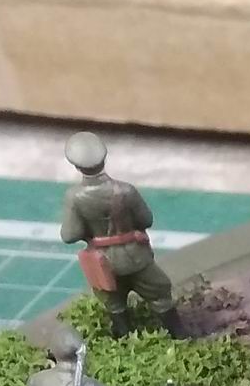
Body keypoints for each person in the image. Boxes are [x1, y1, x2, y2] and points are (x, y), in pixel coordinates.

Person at [59, 131, 181, 337]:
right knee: (160, 295)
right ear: (104, 159)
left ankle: (124, 337)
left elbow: (70, 235)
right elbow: (146, 220)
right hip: (136, 257)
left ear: (77, 166)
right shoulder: (126, 190)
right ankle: (178, 335)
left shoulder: (74, 197)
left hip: (104, 263)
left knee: (114, 302)